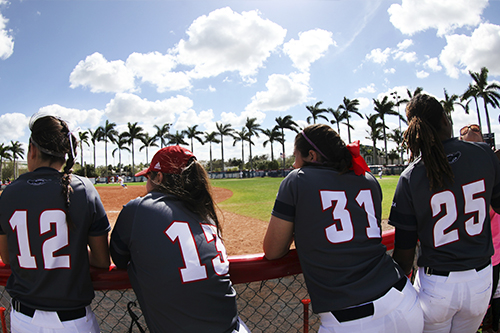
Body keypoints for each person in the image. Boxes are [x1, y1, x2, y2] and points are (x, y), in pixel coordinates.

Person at [263, 123, 423, 333]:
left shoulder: (296, 180)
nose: (294, 164)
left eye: (296, 157)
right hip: (405, 301)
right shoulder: (367, 178)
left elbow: (273, 250)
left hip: (351, 320)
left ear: (312, 155)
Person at [389, 94, 500, 333]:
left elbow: (404, 257)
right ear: (444, 119)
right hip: (481, 279)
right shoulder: (483, 153)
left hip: (438, 285)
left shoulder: (411, 175)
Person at [110, 146, 250, 333]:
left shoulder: (139, 208)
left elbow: (119, 259)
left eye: (148, 177)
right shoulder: (205, 213)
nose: (146, 184)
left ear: (159, 177)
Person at [0, 114, 111, 333]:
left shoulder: (8, 193)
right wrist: (72, 252)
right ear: (65, 153)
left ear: (32, 150)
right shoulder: (84, 189)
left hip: (24, 321)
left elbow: (6, 256)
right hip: (74, 322)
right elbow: (101, 260)